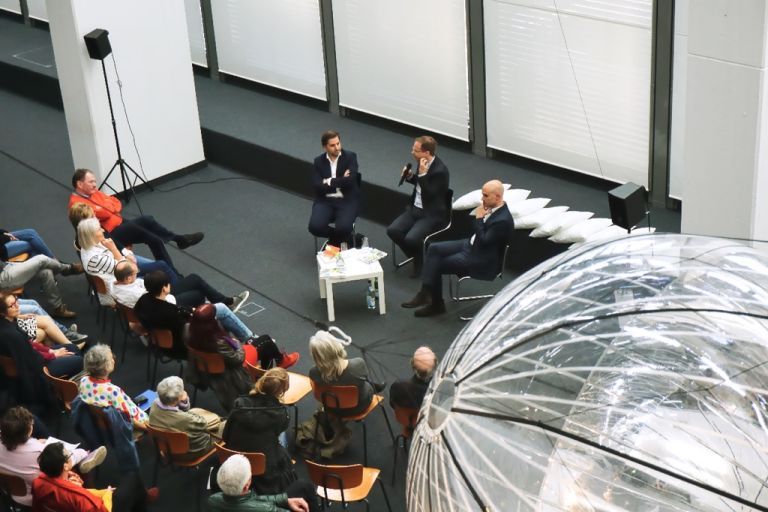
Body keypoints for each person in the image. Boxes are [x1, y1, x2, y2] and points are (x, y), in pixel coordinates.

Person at [402, 179, 514, 317]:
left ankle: (436, 304)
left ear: (497, 196)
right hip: (470, 244)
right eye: (482, 194)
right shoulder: (493, 209)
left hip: (480, 258)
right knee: (433, 248)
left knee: (437, 264)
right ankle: (425, 292)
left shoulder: (503, 220)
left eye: (485, 196)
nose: (481, 198)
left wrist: (479, 219)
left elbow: (485, 241)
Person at [69, 168, 203, 272]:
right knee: (149, 226)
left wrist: (108, 208)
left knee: (152, 231)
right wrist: (109, 208)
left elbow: (115, 202)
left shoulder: (93, 192)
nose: (95, 184)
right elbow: (105, 212)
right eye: (91, 181)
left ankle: (172, 266)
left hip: (120, 223)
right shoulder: (76, 204)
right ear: (80, 184)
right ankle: (179, 242)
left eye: (94, 181)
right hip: (110, 235)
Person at [186, 304, 299, 411]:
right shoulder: (219, 342)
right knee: (266, 342)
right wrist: (236, 344)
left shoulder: (188, 331)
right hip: (233, 371)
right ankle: (270, 374)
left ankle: (276, 364)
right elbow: (238, 359)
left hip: (206, 369)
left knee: (265, 343)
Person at [0, 406, 107, 508]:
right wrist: (81, 452)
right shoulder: (40, 451)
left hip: (11, 493)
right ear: (28, 431)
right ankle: (84, 456)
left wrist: (36, 442)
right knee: (65, 459)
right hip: (37, 496)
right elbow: (60, 462)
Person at [223, 368, 297, 494]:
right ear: (281, 391)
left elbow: (226, 435)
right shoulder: (281, 413)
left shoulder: (240, 403)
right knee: (281, 435)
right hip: (265, 469)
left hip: (234, 457)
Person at [77, 217, 180, 304]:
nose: (103, 231)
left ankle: (174, 288)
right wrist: (114, 248)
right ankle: (178, 291)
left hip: (118, 275)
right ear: (91, 235)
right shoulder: (95, 258)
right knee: (161, 267)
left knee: (158, 267)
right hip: (120, 284)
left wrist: (123, 253)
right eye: (99, 229)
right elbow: (125, 269)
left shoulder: (87, 247)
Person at [387, 136, 450, 276]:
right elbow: (420, 185)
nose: (412, 152)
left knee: (411, 239)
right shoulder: (422, 162)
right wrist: (410, 176)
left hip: (431, 214)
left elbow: (430, 194)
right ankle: (419, 256)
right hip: (415, 209)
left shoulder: (440, 171)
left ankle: (420, 258)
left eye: (415, 150)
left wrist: (422, 175)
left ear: (426, 153)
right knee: (393, 230)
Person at [31, 442, 157, 512]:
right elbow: (104, 510)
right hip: (101, 508)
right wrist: (107, 493)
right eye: (69, 455)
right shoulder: (81, 499)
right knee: (132, 478)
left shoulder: (38, 483)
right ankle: (142, 499)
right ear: (64, 466)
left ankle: (141, 497)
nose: (71, 456)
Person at [0, 292, 84, 379]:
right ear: (2, 312)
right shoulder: (12, 335)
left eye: (16, 301)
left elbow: (30, 345)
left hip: (35, 357)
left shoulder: (11, 323)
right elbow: (32, 357)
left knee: (73, 348)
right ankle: (65, 387)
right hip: (35, 369)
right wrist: (54, 355)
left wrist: (49, 350)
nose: (17, 306)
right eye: (12, 305)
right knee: (78, 361)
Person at [0, 231, 83, 318]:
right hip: (2, 278)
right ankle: (67, 269)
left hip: (6, 266)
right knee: (41, 259)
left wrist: (4, 234)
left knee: (46, 272)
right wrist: (5, 237)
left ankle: (58, 308)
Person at [308, 328, 382, 416]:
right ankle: (375, 387)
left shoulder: (313, 373)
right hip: (359, 406)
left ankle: (375, 386)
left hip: (332, 409)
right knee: (365, 382)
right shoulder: (357, 364)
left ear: (315, 355)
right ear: (336, 347)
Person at [208, 454, 317, 512]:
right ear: (246, 486)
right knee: (304, 486)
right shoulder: (267, 509)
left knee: (302, 486)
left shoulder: (213, 500)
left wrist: (285, 500)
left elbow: (253, 501)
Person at [148, 376, 223, 460]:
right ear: (177, 399)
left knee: (195, 411)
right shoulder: (185, 419)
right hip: (191, 452)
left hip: (167, 449)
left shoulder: (154, 404)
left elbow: (185, 411)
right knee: (225, 424)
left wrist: (183, 401)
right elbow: (204, 424)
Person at [307, 130, 360, 248]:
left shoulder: (350, 157)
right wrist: (341, 180)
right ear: (324, 147)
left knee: (345, 227)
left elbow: (350, 181)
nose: (337, 147)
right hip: (325, 200)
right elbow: (317, 186)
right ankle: (342, 239)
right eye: (332, 145)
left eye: (338, 143)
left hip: (346, 200)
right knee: (314, 227)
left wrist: (329, 181)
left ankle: (337, 241)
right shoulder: (318, 162)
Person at [78, 344, 148, 429]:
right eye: (111, 358)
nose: (114, 359)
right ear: (106, 367)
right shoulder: (113, 391)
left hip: (99, 426)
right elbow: (129, 419)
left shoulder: (83, 381)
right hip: (129, 428)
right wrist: (148, 429)